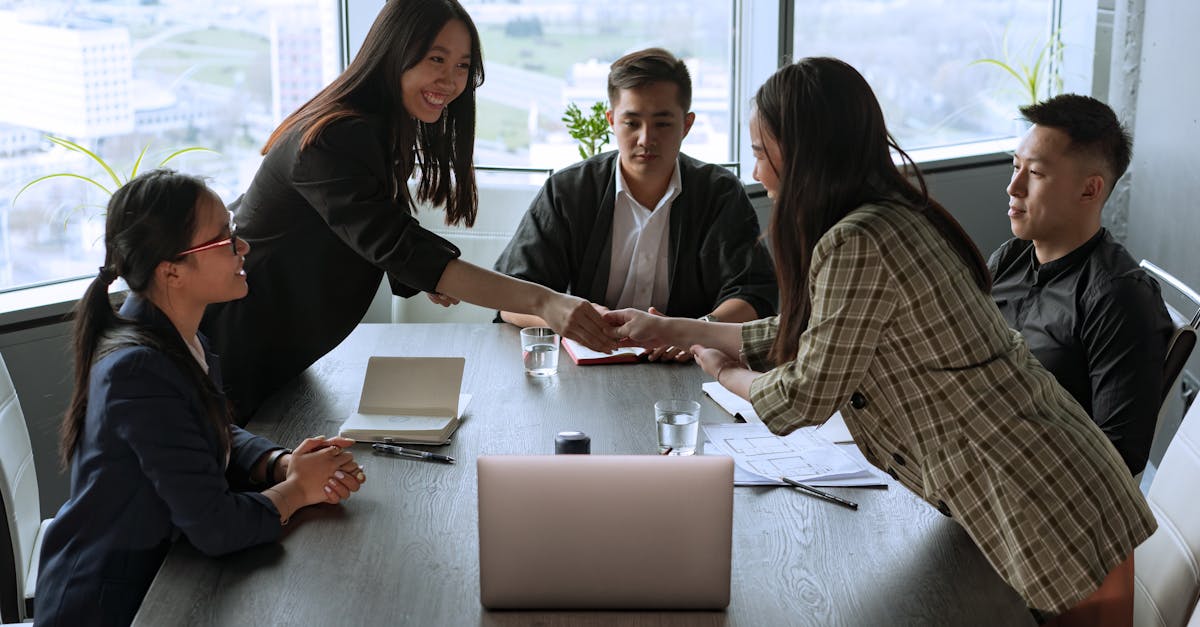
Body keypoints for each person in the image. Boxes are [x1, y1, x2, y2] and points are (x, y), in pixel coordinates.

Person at [606, 58, 1155, 625]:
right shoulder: (889, 217)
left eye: (762, 152)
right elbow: (815, 336)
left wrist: (722, 372)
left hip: (1050, 505)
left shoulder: (858, 240)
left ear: (802, 154)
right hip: (1039, 489)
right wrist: (681, 329)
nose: (757, 170)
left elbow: (801, 397)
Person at [201, 0, 617, 419]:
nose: (451, 80)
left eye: (462, 66)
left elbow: (382, 230)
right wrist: (546, 302)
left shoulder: (374, 130)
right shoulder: (339, 136)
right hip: (228, 353)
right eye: (436, 58)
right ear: (394, 51)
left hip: (274, 353)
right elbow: (399, 245)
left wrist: (426, 274)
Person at [35, 170, 365, 626]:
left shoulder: (179, 339)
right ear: (172, 271)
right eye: (225, 238)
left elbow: (202, 431)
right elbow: (216, 527)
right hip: (112, 605)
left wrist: (280, 463)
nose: (242, 246)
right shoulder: (137, 368)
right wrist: (298, 490)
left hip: (165, 577)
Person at [493, 48, 777, 362]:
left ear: (687, 124)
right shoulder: (569, 190)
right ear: (612, 121)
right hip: (585, 370)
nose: (645, 138)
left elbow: (753, 294)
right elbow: (510, 296)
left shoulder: (718, 192)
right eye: (631, 123)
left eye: (662, 124)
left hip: (692, 367)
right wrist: (572, 320)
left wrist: (695, 331)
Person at [989, 94, 1173, 476]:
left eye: (1035, 174)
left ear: (1089, 190)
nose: (1014, 187)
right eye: (1015, 167)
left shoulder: (1118, 297)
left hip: (1042, 501)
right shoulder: (1009, 259)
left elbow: (1118, 455)